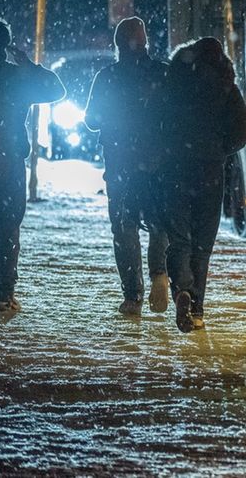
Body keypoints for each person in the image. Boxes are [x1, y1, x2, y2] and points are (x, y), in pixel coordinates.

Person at [0, 19, 64, 313]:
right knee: (7, 229)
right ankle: (4, 294)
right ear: (5, 45)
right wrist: (30, 66)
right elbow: (57, 91)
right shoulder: (16, 76)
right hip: (8, 165)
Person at [157, 37, 246, 333]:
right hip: (209, 169)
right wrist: (221, 148)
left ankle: (181, 289)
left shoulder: (173, 82)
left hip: (174, 168)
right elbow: (244, 128)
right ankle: (196, 307)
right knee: (202, 243)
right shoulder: (225, 86)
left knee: (178, 238)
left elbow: (156, 122)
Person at [85, 17, 171, 316]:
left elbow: (91, 121)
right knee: (160, 224)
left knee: (124, 229)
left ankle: (132, 296)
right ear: (145, 42)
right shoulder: (163, 73)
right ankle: (160, 272)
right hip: (158, 164)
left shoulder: (107, 77)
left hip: (121, 165)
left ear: (118, 44)